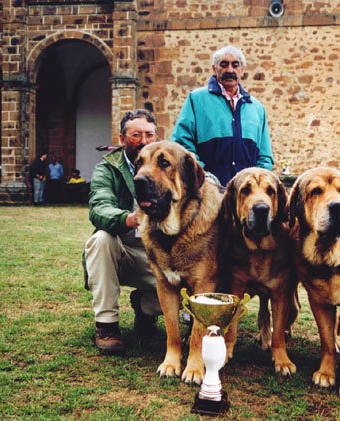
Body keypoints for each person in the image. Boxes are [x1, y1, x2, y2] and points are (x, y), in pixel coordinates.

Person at [83, 109, 162, 356]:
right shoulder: (107, 168)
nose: (144, 141)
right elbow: (99, 207)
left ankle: (145, 306)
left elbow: (199, 177)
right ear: (122, 138)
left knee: (190, 296)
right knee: (100, 239)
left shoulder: (169, 162)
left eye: (149, 134)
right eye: (136, 134)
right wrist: (127, 219)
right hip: (126, 249)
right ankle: (106, 325)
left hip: (162, 253)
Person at [171, 45, 274, 186]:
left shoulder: (256, 108)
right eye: (224, 65)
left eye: (235, 65)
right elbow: (181, 144)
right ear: (214, 69)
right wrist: (204, 176)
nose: (230, 70)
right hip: (207, 190)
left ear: (242, 70)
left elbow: (265, 155)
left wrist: (256, 183)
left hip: (245, 194)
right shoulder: (196, 99)